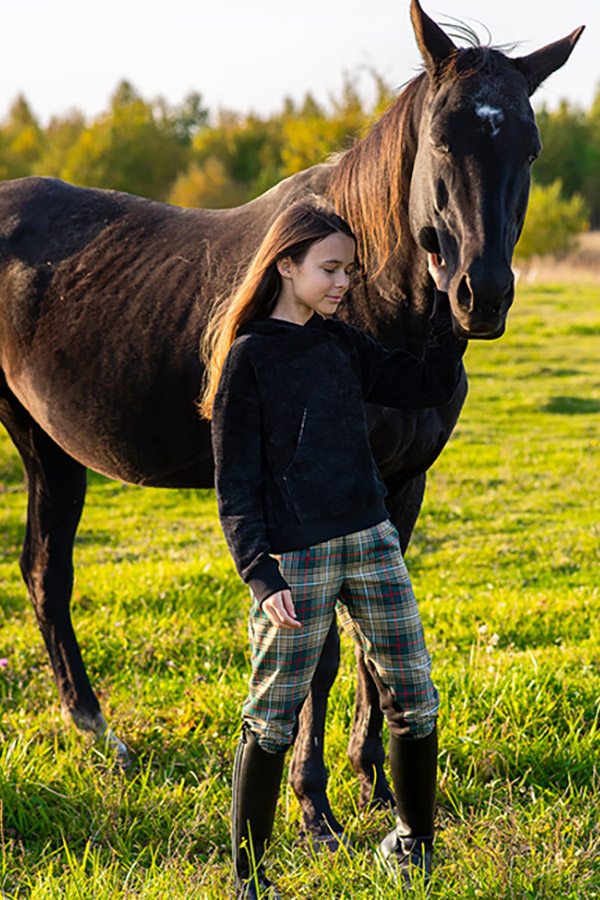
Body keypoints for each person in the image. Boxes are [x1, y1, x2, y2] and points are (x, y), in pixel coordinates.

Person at [199, 196, 465, 899]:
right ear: (286, 265)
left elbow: (427, 384)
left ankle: (414, 845)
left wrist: (445, 303)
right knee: (273, 716)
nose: (345, 282)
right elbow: (236, 485)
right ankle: (250, 880)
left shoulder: (341, 341)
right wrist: (261, 574)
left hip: (373, 541)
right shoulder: (250, 359)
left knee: (415, 698)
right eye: (331, 269)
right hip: (297, 561)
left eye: (349, 269)